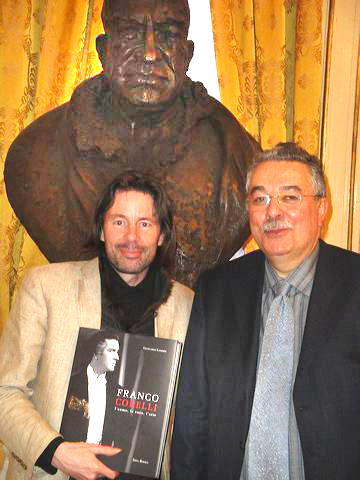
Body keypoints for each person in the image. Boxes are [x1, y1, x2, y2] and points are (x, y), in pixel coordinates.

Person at [4, 0, 260, 287]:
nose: (150, 54)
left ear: (186, 54)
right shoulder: (36, 154)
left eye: (167, 35)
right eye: (129, 33)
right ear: (103, 51)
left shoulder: (239, 159)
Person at [171, 142, 360, 480]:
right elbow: (192, 413)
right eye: (260, 199)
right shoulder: (217, 290)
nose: (273, 212)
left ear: (322, 209)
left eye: (290, 197)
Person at [0, 172, 194, 480]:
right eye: (119, 221)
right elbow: (5, 391)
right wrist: (56, 451)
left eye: (145, 223)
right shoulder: (46, 286)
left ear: (161, 235)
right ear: (102, 229)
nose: (132, 236)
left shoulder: (186, 304)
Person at [60, 330, 120, 445]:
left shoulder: (117, 391)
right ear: (96, 353)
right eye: (112, 351)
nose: (117, 357)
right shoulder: (71, 382)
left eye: (117, 352)